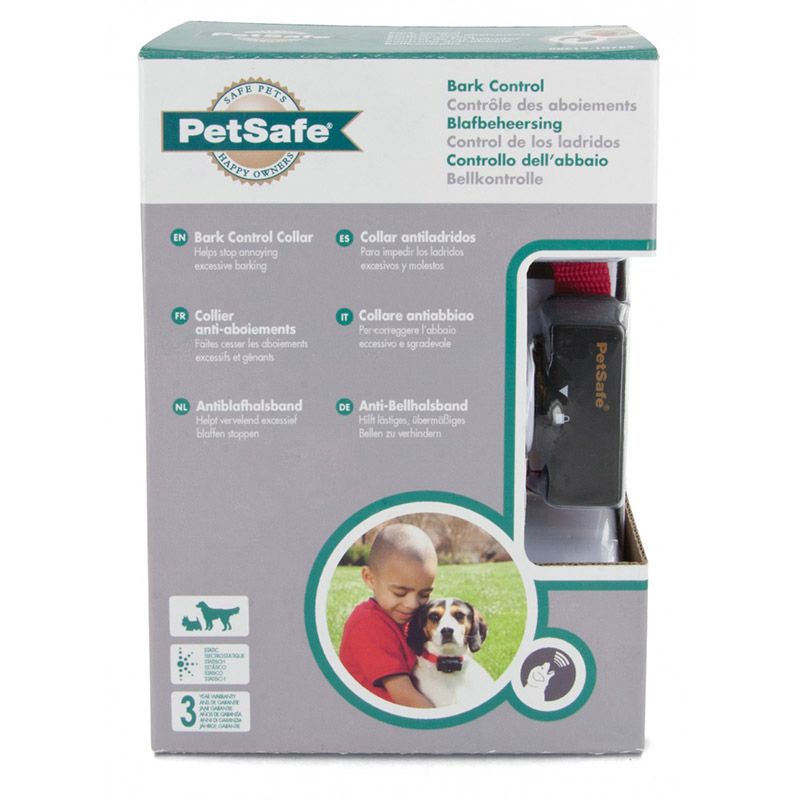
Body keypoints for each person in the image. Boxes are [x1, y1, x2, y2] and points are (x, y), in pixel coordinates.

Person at [339, 523, 437, 707]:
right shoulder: (367, 624)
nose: (412, 604)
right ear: (370, 578)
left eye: (424, 594)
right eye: (400, 592)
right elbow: (406, 698)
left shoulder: (411, 620)